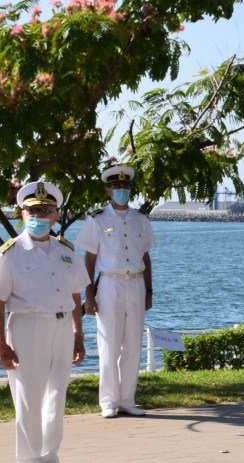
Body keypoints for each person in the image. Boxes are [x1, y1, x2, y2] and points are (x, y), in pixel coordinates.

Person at [0, 181, 87, 463]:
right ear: (23, 214)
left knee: (57, 395)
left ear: (56, 216)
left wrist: (78, 334)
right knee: (28, 396)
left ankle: (50, 458)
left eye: (46, 211)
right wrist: (0, 343)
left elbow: (75, 295)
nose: (40, 216)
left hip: (62, 327)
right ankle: (30, 461)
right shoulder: (10, 253)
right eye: (33, 211)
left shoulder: (66, 250)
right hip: (27, 326)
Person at [79, 164, 156, 418]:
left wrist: (149, 291)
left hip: (136, 283)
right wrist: (89, 296)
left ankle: (127, 399)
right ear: (108, 190)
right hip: (109, 284)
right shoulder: (97, 219)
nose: (121, 190)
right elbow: (89, 259)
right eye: (116, 186)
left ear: (130, 189)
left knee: (133, 345)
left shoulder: (141, 219)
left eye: (125, 186)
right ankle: (109, 401)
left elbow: (145, 257)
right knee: (109, 344)